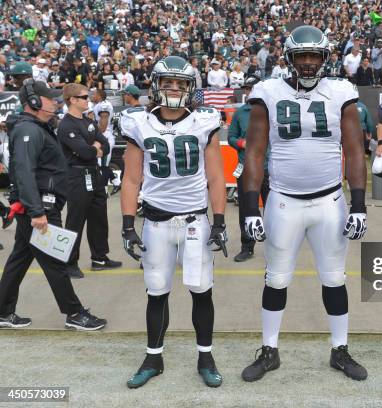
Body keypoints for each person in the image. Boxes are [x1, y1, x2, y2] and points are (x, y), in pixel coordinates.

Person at [240, 25, 368, 383]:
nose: (308, 63)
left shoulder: (341, 91)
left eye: (314, 55)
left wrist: (358, 203)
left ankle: (340, 349)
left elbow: (356, 150)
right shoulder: (268, 91)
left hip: (329, 200)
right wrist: (250, 207)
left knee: (334, 278)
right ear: (289, 58)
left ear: (325, 58)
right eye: (302, 56)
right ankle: (269, 350)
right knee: (276, 279)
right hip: (283, 201)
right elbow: (254, 152)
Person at [120, 55, 228, 389]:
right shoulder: (139, 123)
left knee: (201, 292)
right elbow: (130, 179)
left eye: (180, 83)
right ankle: (154, 357)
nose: (174, 88)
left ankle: (205, 357)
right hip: (156, 223)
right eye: (168, 82)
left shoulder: (203, 122)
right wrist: (127, 226)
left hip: (195, 223)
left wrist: (221, 221)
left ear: (190, 88)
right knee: (157, 293)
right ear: (156, 85)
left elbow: (215, 176)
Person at [0, 80, 106, 330]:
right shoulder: (30, 131)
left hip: (38, 206)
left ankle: (3, 311)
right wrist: (37, 211)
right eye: (50, 99)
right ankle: (74, 313)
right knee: (56, 262)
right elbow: (24, 172)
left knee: (19, 260)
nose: (55, 102)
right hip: (40, 208)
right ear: (35, 102)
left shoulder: (35, 128)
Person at [57, 84, 122, 279]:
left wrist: (94, 147)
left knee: (99, 217)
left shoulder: (88, 121)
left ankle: (99, 258)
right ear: (73, 100)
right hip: (76, 176)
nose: (88, 99)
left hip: (94, 174)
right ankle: (69, 263)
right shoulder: (67, 125)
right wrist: (94, 147)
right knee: (75, 220)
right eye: (84, 96)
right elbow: (85, 152)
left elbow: (106, 145)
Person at [227, 75, 270, 262]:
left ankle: (276, 246)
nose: (249, 91)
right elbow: (231, 137)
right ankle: (247, 246)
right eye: (247, 88)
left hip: (270, 168)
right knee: (246, 209)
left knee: (275, 210)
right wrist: (241, 143)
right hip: (246, 169)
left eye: (252, 87)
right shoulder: (240, 113)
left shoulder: (271, 111)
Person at [90, 88, 120, 195]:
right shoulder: (98, 105)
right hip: (102, 136)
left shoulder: (104, 105)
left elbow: (102, 127)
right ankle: (116, 182)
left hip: (105, 137)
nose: (91, 96)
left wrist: (94, 135)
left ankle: (103, 191)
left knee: (102, 166)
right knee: (100, 165)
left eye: (94, 94)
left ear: (99, 96)